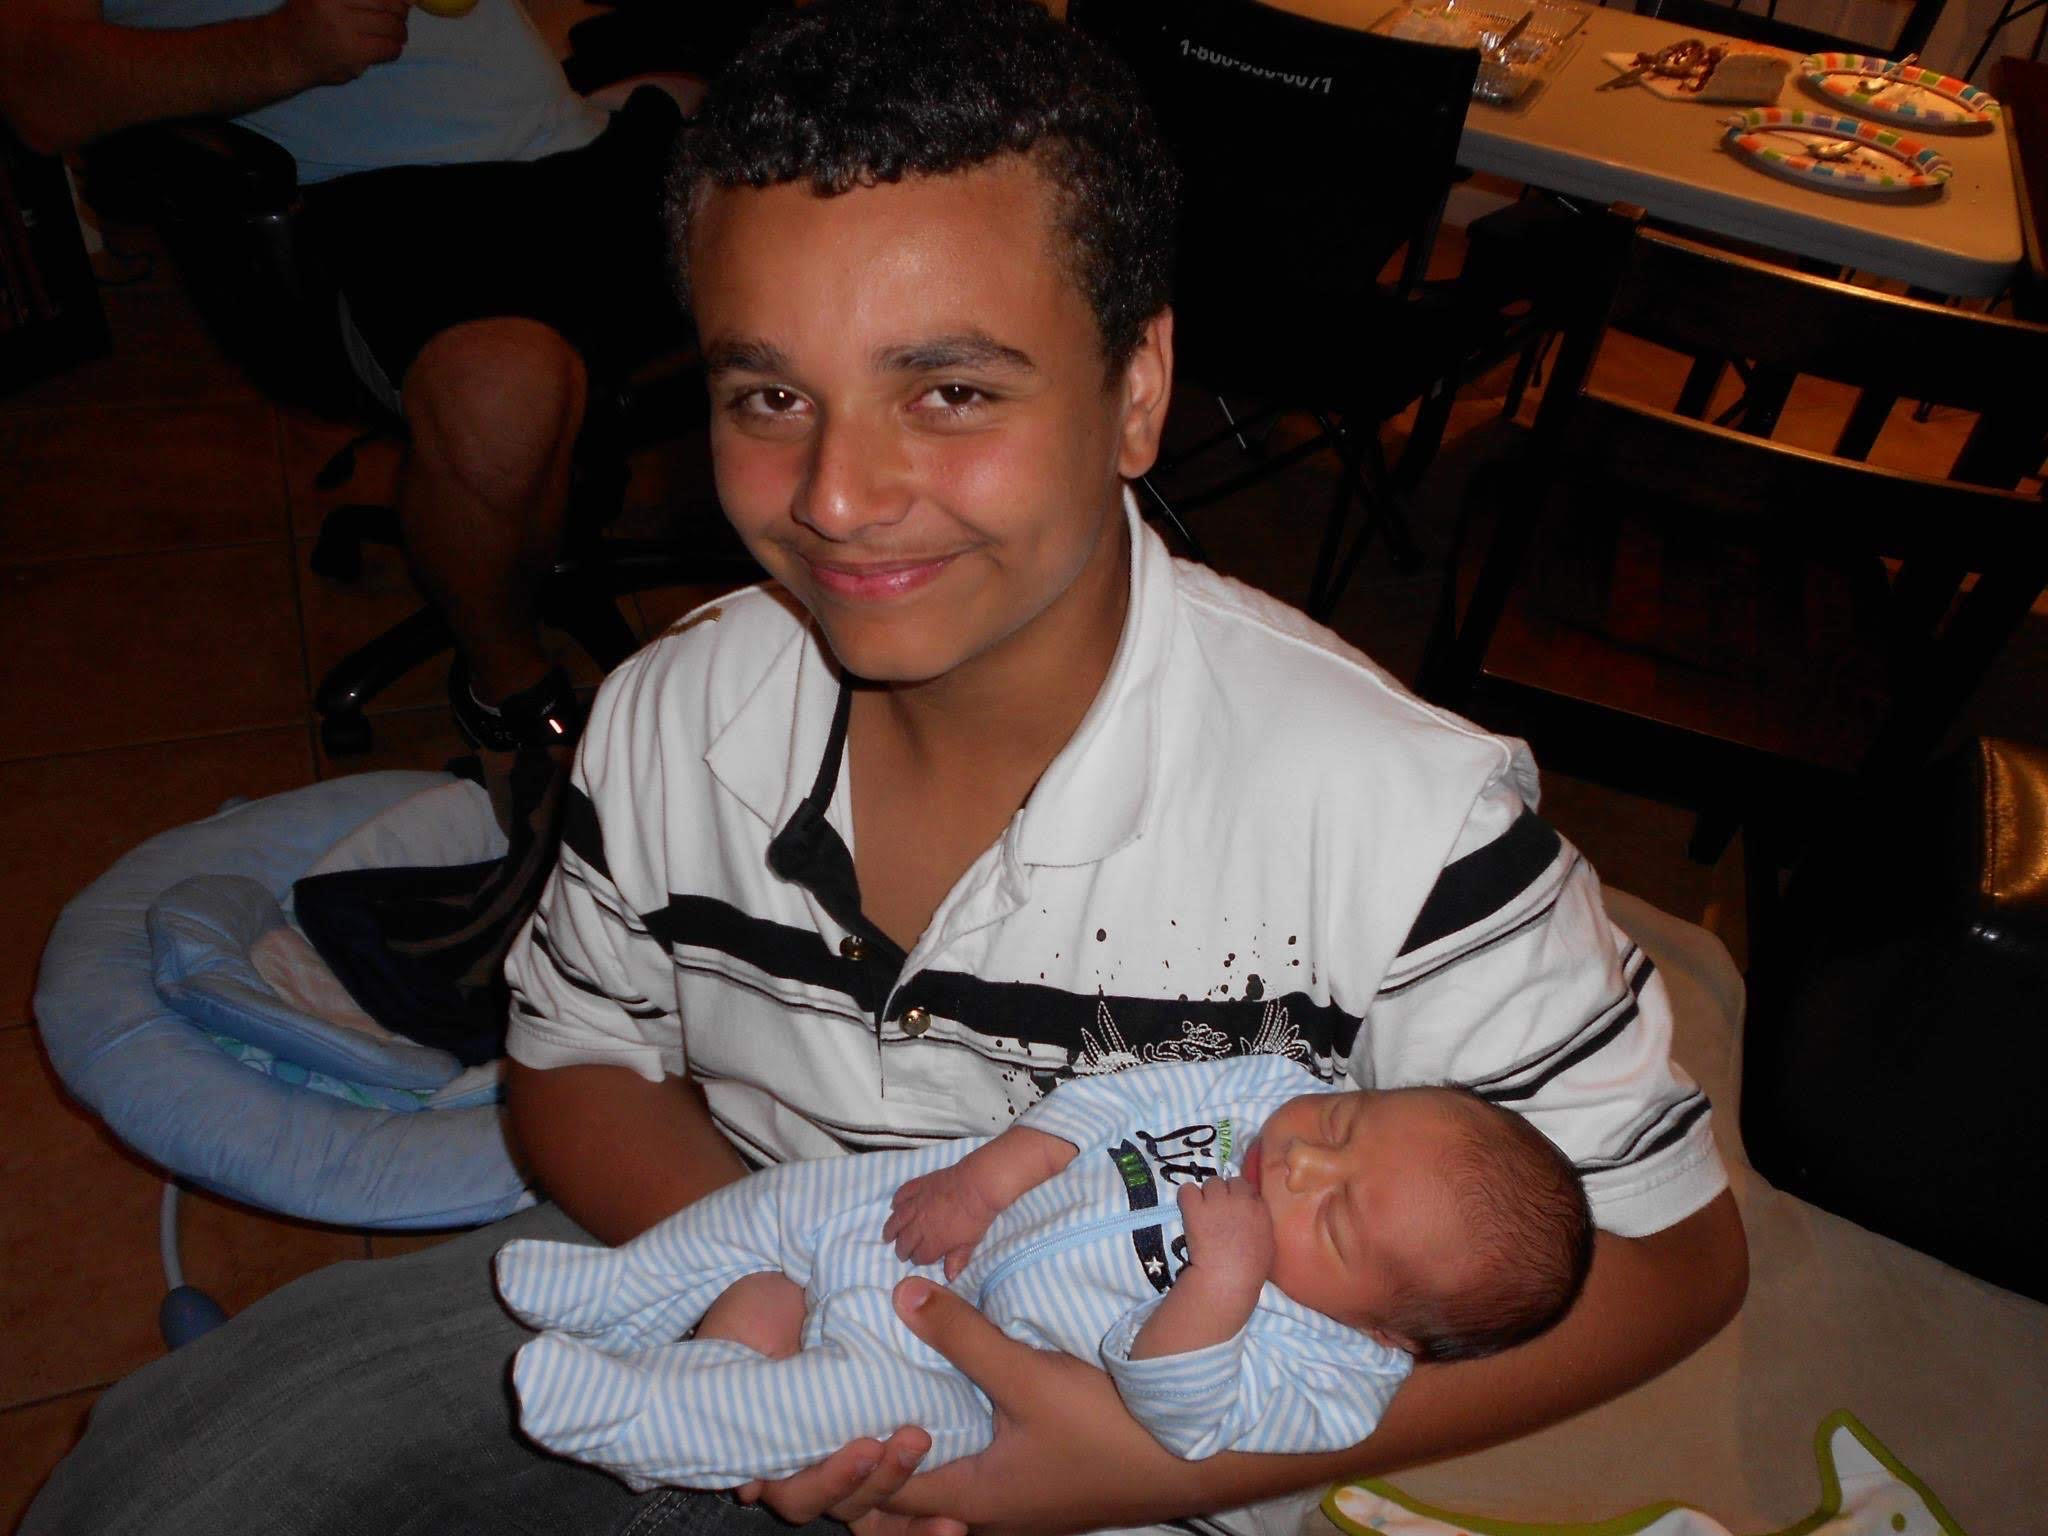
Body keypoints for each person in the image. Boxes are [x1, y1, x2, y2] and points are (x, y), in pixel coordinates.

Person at [21, 4, 1747, 1535]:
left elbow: (1672, 1262)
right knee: (169, 1476)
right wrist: (786, 1297)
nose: (837, 499)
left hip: (1125, 1448)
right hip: (744, 1264)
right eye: (769, 398)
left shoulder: (1406, 824)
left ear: (1136, 389)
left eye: (951, 391)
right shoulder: (665, 716)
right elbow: (576, 1066)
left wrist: (1132, 1469)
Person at [0, 0, 697, 758]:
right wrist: (284, 47)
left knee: (790, 180)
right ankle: (506, 679)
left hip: (578, 139)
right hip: (406, 194)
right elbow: (37, 91)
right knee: (501, 401)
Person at [496, 1054, 1594, 1490]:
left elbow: (1181, 1417)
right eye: (1346, 1123)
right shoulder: (1262, 1097)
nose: (1303, 1160)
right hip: (952, 1217)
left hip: (969, 1383)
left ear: (1384, 1331)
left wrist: (1223, 1281)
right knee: (783, 1204)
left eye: (1336, 1219)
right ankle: (621, 1291)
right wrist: (987, 1180)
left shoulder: (1332, 1378)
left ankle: (641, 1415)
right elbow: (1118, 1098)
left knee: (840, 1411)